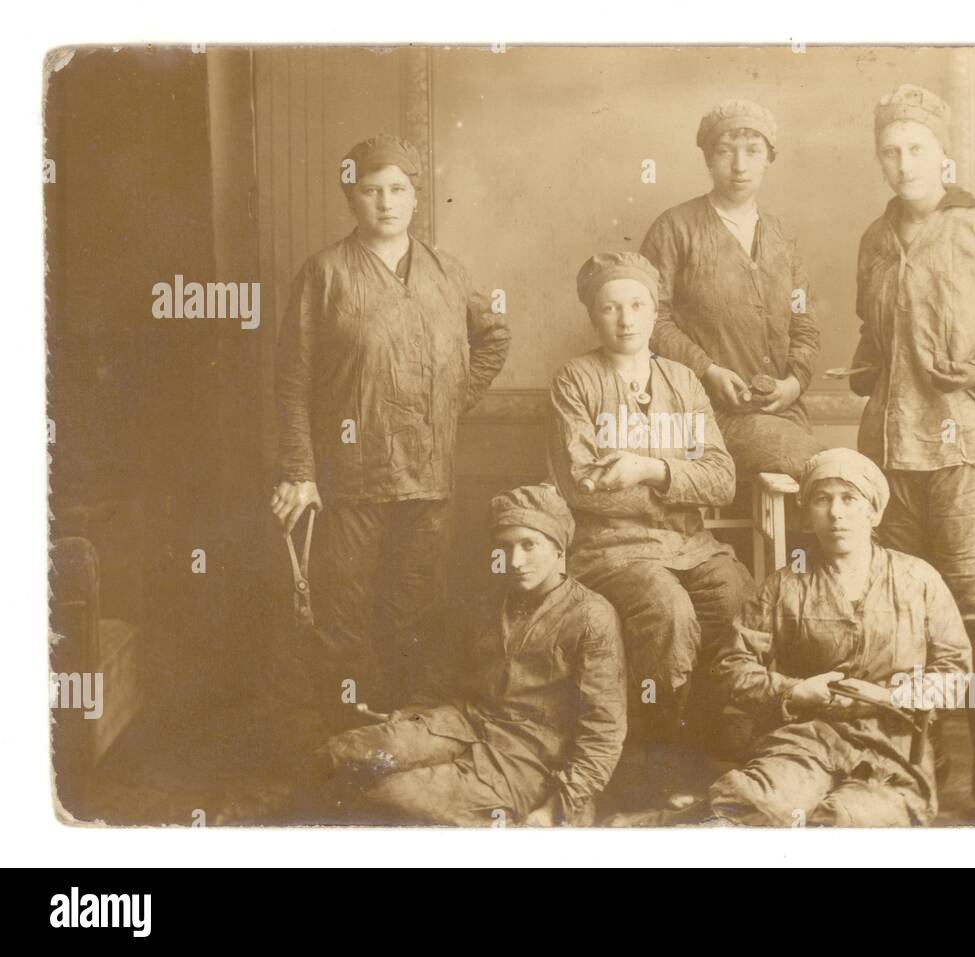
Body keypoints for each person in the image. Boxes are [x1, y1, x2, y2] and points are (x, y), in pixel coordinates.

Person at [271, 134, 511, 751]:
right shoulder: (324, 274)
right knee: (345, 607)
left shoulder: (446, 271)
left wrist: (450, 403)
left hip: (428, 474)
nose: (385, 203)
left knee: (420, 604)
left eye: (397, 189)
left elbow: (493, 338)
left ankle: (413, 727)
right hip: (350, 474)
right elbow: (293, 379)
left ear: (416, 196)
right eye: (371, 190)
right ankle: (349, 732)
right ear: (351, 196)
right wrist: (300, 470)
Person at [850, 85, 975, 824]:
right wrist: (864, 365)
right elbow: (873, 339)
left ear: (943, 154)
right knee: (902, 613)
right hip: (892, 454)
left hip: (973, 449)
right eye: (890, 151)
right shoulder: (873, 239)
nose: (902, 164)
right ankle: (916, 760)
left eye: (916, 149)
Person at [547, 251, 753, 760]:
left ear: (655, 310)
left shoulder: (684, 381)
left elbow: (723, 479)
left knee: (738, 596)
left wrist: (648, 469)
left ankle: (718, 722)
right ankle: (658, 740)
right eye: (611, 308)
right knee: (669, 612)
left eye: (637, 304)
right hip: (612, 550)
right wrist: (681, 481)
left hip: (692, 545)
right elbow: (583, 484)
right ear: (593, 316)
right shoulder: (576, 381)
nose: (625, 319)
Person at [320, 484, 626, 826]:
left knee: (389, 795)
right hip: (459, 724)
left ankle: (520, 821)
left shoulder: (591, 617)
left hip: (525, 758)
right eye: (506, 547)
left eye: (529, 544)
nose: (516, 561)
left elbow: (603, 733)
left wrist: (559, 805)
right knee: (342, 753)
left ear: (559, 548)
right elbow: (439, 680)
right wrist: (407, 718)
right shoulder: (486, 602)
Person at [706, 448, 971, 826]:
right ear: (807, 513)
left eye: (850, 499)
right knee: (753, 805)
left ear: (874, 512)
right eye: (822, 499)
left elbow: (956, 672)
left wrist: (894, 696)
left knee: (846, 822)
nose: (835, 513)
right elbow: (730, 667)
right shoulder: (785, 585)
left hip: (891, 748)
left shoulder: (918, 580)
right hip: (803, 739)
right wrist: (794, 691)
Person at [640, 99, 824, 480]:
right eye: (725, 152)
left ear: (768, 159)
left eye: (752, 152)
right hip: (704, 412)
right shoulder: (675, 228)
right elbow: (650, 319)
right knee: (824, 472)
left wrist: (794, 383)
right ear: (708, 160)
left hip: (784, 412)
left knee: (828, 481)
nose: (739, 166)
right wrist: (707, 370)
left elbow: (802, 321)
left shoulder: (782, 236)